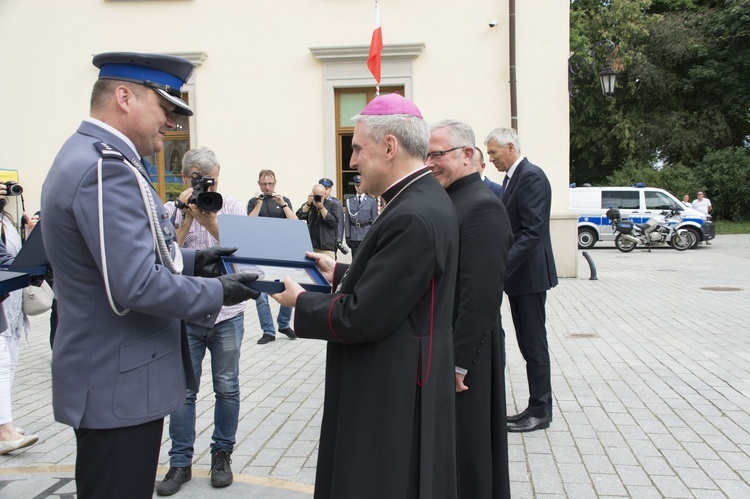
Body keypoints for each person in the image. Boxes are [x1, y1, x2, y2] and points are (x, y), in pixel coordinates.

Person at [40, 52, 259, 499]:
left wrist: (198, 261)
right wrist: (216, 291)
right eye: (165, 108)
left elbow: (125, 258)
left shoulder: (95, 155)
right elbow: (135, 284)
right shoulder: (105, 169)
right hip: (117, 384)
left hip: (113, 380)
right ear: (124, 97)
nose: (171, 122)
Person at [272, 93, 459, 499]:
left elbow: (363, 316)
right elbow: (398, 281)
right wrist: (338, 271)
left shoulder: (411, 213)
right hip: (402, 368)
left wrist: (299, 302)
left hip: (391, 381)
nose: (352, 160)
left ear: (389, 146)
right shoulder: (420, 199)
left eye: (357, 148)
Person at [428, 120, 513, 498]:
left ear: (467, 155)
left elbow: (480, 295)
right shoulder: (450, 199)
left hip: (468, 355)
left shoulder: (482, 207)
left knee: (470, 450)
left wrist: (458, 363)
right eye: (427, 154)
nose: (430, 162)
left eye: (438, 154)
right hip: (450, 346)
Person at [156, 147, 248, 495]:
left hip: (227, 315)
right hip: (186, 313)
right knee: (183, 391)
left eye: (211, 180)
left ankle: (221, 455)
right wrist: (187, 218)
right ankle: (180, 462)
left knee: (227, 387)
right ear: (184, 178)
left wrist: (212, 220)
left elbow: (244, 253)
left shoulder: (234, 206)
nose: (206, 188)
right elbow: (165, 258)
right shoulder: (170, 211)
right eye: (197, 180)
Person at [485, 127, 558, 433]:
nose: (490, 160)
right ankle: (534, 405)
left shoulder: (531, 176)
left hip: (528, 275)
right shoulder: (514, 177)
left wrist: (502, 267)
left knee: (534, 344)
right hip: (521, 276)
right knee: (528, 344)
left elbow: (531, 231)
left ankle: (541, 411)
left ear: (510, 148)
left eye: (493, 153)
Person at [0, 186, 40, 455]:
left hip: (10, 306)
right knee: (2, 364)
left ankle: (4, 425)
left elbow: (11, 257)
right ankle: (5, 432)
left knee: (9, 363)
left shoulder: (5, 218)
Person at [247, 169, 298, 345]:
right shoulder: (253, 202)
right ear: (259, 184)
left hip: (282, 253)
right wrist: (259, 204)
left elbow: (295, 224)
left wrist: (283, 204)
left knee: (288, 287)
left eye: (270, 184)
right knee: (261, 295)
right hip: (259, 254)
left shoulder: (284, 201)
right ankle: (268, 331)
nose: (267, 187)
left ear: (275, 183)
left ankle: (284, 324)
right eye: (264, 184)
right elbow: (248, 224)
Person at [296, 184, 339, 259]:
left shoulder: (332, 205)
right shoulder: (309, 205)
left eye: (320, 196)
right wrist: (308, 204)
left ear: (325, 195)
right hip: (310, 247)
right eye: (316, 196)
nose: (318, 198)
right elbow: (297, 219)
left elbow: (334, 223)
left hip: (326, 248)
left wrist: (322, 208)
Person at [344, 174, 377, 258]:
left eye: (361, 185)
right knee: (355, 260)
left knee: (367, 259)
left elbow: (374, 220)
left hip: (366, 234)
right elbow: (347, 220)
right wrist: (347, 236)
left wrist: (374, 236)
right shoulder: (350, 201)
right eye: (357, 185)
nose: (359, 188)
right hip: (354, 235)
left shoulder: (371, 201)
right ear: (355, 186)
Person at [318, 177, 345, 255]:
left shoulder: (335, 203)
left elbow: (340, 222)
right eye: (323, 188)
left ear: (330, 190)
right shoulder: (316, 201)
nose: (325, 191)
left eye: (327, 189)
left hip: (331, 238)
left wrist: (339, 239)